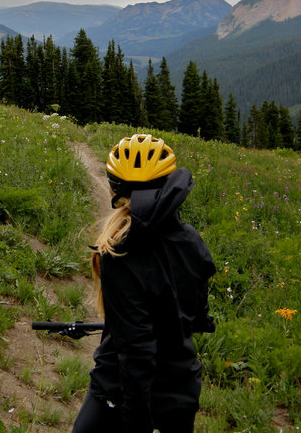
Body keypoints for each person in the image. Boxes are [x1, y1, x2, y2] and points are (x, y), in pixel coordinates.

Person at [72, 134, 216, 433]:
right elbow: (196, 316)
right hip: (181, 389)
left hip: (121, 393)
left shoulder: (118, 250)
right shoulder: (191, 240)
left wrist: (137, 423)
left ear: (114, 188)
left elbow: (137, 354)